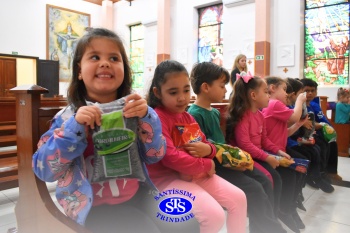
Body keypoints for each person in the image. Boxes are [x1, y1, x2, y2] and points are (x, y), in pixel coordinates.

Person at [32, 28, 166, 233]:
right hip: (90, 207)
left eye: (114, 58)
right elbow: (45, 171)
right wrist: (74, 128)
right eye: (95, 57)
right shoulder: (66, 118)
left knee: (185, 220)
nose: (105, 63)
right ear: (79, 70)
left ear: (125, 69)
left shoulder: (133, 112)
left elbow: (154, 155)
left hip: (137, 195)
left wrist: (149, 117)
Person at [146, 60, 247, 233]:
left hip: (195, 175)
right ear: (158, 92)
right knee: (214, 215)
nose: (182, 97)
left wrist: (210, 150)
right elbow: (170, 157)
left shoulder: (186, 117)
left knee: (239, 198)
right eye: (173, 92)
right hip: (167, 180)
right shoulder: (156, 118)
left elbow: (204, 143)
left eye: (186, 90)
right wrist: (208, 164)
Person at [187, 61, 286, 233]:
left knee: (264, 180)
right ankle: (272, 228)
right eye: (222, 85)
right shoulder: (194, 114)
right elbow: (201, 147)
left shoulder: (215, 112)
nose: (226, 90)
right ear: (206, 87)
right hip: (216, 164)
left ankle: (266, 226)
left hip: (228, 158)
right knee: (255, 188)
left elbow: (221, 141)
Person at [226, 73, 302, 233]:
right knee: (267, 180)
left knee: (277, 179)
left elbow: (265, 140)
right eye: (266, 92)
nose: (269, 96)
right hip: (244, 158)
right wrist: (268, 157)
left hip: (256, 156)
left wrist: (278, 151)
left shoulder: (260, 115)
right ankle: (265, 224)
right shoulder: (243, 116)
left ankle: (270, 218)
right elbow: (245, 145)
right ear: (253, 95)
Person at [286, 78, 334, 194]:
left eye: (313, 91)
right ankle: (313, 177)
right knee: (312, 151)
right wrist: (304, 126)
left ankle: (321, 173)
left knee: (325, 144)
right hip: (290, 139)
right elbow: (294, 122)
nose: (309, 94)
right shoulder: (290, 106)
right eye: (304, 92)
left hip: (297, 135)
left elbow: (308, 121)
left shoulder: (307, 105)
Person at [300, 78, 342, 181]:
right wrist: (317, 125)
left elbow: (323, 119)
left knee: (332, 142)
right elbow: (302, 122)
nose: (310, 93)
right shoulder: (300, 105)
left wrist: (328, 128)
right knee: (321, 144)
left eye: (312, 90)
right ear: (301, 91)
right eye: (306, 90)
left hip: (316, 131)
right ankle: (320, 173)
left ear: (316, 92)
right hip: (304, 133)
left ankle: (331, 171)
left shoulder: (315, 105)